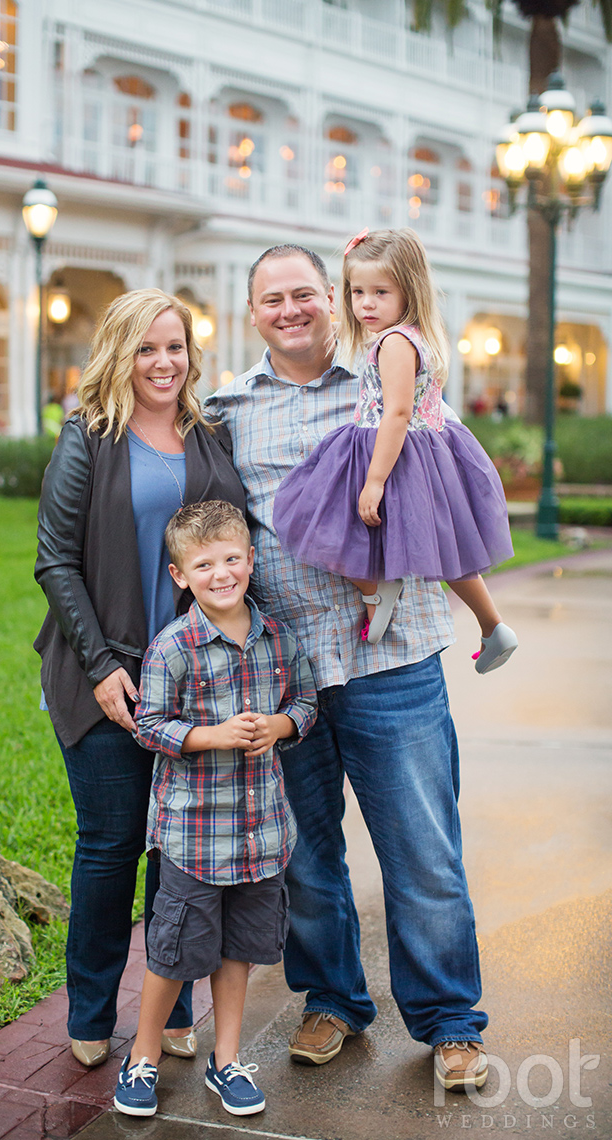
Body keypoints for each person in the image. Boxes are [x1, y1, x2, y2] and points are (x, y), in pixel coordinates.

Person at [205, 244, 490, 1093]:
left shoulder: (382, 382)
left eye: (304, 294)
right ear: (252, 312)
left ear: (331, 299)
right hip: (286, 676)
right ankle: (333, 1001)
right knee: (304, 855)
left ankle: (450, 1026)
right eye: (271, 299)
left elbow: (444, 487)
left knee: (422, 849)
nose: (290, 310)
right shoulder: (224, 410)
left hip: (389, 660)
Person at [33, 289, 247, 1070]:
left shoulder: (210, 434)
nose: (164, 363)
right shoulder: (89, 437)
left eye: (176, 347)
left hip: (193, 687)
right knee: (111, 847)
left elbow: (233, 546)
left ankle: (176, 1007)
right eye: (147, 348)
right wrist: (100, 669)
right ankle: (91, 1016)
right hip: (106, 678)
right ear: (120, 354)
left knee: (181, 858)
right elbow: (53, 559)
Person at [113, 501, 317, 1118]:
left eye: (232, 558)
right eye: (204, 564)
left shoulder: (277, 637)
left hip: (260, 834)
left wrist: (279, 725)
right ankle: (142, 1056)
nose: (221, 573)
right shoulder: (174, 648)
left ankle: (226, 1061)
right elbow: (147, 726)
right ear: (181, 576)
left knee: (239, 951)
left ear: (251, 560)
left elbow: (306, 702)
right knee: (174, 951)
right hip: (195, 837)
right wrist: (213, 735)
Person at [273, 227, 517, 672]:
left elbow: (398, 413)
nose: (366, 303)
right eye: (357, 291)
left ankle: (376, 592)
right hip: (414, 452)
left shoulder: (394, 343)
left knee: (323, 517)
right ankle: (491, 624)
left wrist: (375, 479)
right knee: (443, 551)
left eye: (380, 292)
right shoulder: (408, 336)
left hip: (394, 453)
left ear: (409, 290)